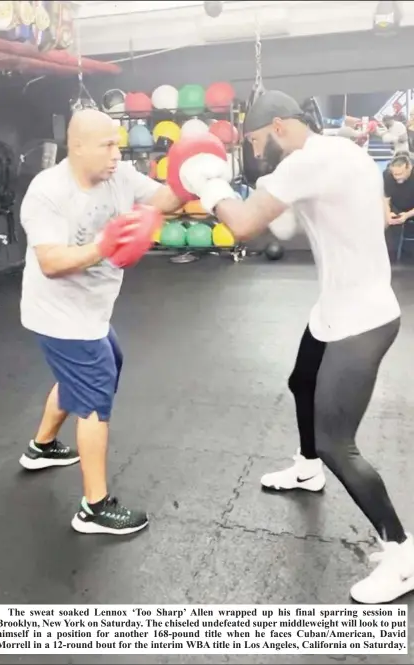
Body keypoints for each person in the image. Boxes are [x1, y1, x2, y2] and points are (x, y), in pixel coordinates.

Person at [175, 90, 414, 604]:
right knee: (300, 382)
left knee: (338, 443)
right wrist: (263, 194)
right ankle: (306, 468)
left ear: (279, 126)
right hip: (336, 309)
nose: (255, 150)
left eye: (257, 140)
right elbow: (281, 226)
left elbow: (241, 226)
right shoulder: (342, 154)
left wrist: (208, 185)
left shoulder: (306, 162)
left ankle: (401, 551)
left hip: (362, 321)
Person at [19, 109, 183, 536]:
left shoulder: (120, 177)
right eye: (106, 145)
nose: (116, 154)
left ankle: (41, 448)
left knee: (102, 366)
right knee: (95, 389)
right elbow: (52, 262)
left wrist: (190, 177)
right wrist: (104, 245)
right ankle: (94, 508)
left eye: (118, 144)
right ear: (76, 147)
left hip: (92, 308)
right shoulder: (48, 191)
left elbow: (165, 200)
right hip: (57, 311)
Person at [384, 153, 414, 226]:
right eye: (395, 174)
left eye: (400, 174)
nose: (397, 177)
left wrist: (407, 215)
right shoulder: (388, 175)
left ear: (409, 168)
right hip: (396, 208)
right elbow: (385, 200)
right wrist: (387, 214)